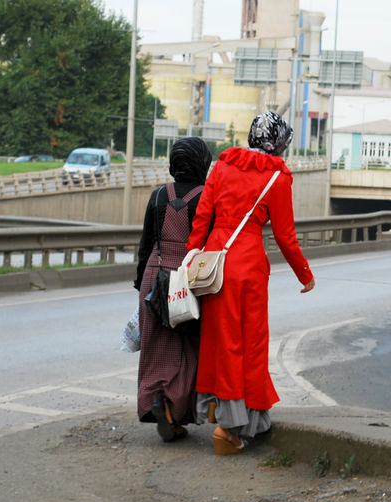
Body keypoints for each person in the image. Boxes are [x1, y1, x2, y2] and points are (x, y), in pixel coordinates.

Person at [186, 112, 315, 456]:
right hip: (248, 267)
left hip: (215, 262)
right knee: (249, 343)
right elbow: (286, 237)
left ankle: (217, 408)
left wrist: (191, 257)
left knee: (219, 340)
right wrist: (305, 274)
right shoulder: (277, 178)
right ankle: (232, 428)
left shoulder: (223, 166)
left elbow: (202, 217)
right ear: (280, 141)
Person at [134, 137, 213, 443]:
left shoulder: (157, 196)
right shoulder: (206, 197)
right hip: (187, 280)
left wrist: (140, 284)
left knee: (156, 349)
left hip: (153, 278)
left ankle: (156, 399)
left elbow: (145, 245)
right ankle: (172, 410)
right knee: (186, 349)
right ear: (202, 163)